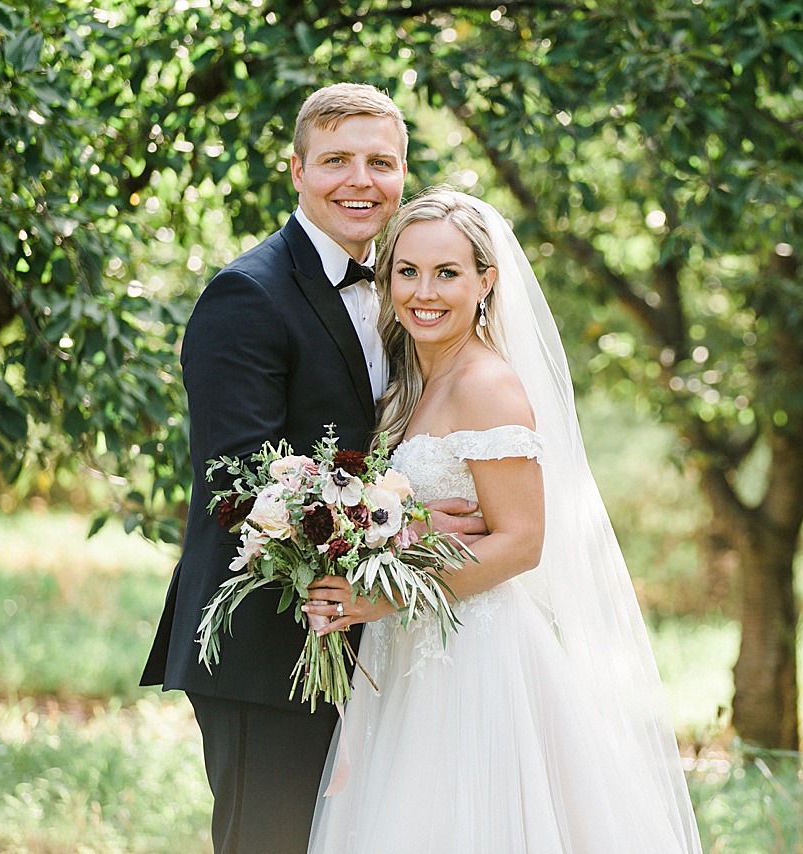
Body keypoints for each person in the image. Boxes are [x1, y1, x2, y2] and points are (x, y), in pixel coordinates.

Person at [301, 189, 704, 853]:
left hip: (472, 654)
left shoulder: (485, 384)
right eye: (408, 271)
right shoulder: (417, 380)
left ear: (487, 282)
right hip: (412, 646)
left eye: (448, 273)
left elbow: (523, 543)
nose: (424, 292)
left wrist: (381, 595)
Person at [139, 85, 484, 854]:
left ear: (403, 173)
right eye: (336, 161)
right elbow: (238, 487)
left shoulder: (403, 290)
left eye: (380, 162)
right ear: (296, 170)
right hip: (270, 652)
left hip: (367, 638)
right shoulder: (246, 296)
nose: (360, 181)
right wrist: (413, 530)